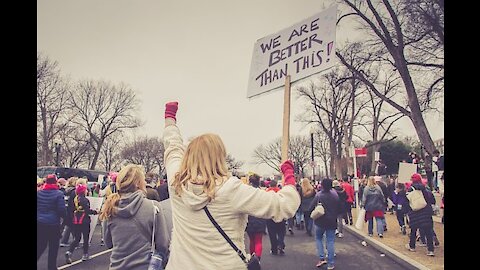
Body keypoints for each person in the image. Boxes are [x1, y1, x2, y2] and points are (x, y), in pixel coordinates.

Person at [162, 101, 300, 269]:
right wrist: (289, 175)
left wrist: (170, 120)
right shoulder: (230, 189)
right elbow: (284, 205)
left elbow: (172, 147)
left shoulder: (176, 183)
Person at [100, 164, 172, 270]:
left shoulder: (110, 207)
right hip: (145, 266)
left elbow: (108, 243)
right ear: (138, 183)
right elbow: (163, 245)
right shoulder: (153, 207)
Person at [37, 174, 66, 270]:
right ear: (55, 182)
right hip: (53, 224)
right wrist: (65, 218)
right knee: (53, 248)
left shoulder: (39, 193)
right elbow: (61, 210)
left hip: (40, 223)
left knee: (40, 245)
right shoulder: (59, 194)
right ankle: (51, 267)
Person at [309, 178, 339, 270]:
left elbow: (311, 206)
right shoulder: (335, 195)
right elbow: (338, 206)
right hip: (332, 220)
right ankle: (331, 263)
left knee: (318, 238)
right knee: (330, 241)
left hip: (320, 221)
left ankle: (321, 258)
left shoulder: (319, 195)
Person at [65, 184, 99, 263]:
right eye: (86, 189)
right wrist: (95, 212)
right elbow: (87, 210)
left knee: (77, 238)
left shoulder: (75, 199)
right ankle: (85, 254)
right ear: (83, 191)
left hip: (76, 220)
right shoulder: (85, 200)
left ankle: (69, 252)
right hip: (84, 221)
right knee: (86, 238)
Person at [404, 173, 436, 256]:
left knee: (413, 230)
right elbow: (430, 199)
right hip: (425, 211)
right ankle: (430, 250)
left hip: (415, 211)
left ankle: (412, 246)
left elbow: (407, 201)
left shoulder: (410, 189)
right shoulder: (425, 188)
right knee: (428, 230)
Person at [245, 174, 267, 261]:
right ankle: (257, 258)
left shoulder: (246, 193)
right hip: (260, 218)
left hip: (249, 218)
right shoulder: (262, 193)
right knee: (258, 241)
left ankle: (252, 257)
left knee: (252, 240)